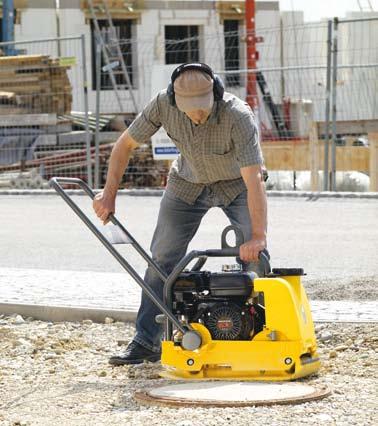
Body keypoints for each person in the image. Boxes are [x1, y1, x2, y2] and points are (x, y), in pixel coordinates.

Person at [93, 63, 269, 365]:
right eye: (190, 109)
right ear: (175, 100)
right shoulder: (163, 103)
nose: (197, 114)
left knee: (255, 258)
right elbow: (124, 146)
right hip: (187, 184)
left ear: (215, 93)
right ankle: (148, 341)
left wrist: (257, 236)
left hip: (236, 185)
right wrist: (108, 195)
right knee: (161, 258)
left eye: (202, 107)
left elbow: (253, 179)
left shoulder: (238, 115)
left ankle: (262, 336)